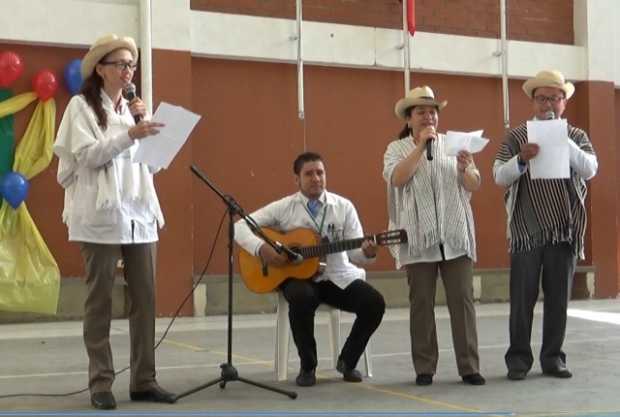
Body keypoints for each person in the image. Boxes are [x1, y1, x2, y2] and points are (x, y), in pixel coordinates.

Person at [53, 34, 175, 409]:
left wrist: (153, 139)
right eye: (121, 64)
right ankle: (100, 383)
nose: (128, 71)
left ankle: (143, 379)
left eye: (132, 65)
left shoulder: (136, 110)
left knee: (146, 299)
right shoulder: (81, 108)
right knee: (100, 301)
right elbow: (88, 156)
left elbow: (150, 166)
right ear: (100, 69)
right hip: (100, 216)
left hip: (139, 215)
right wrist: (130, 136)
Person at [234, 152, 385, 387]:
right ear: (297, 180)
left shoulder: (343, 207)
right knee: (301, 297)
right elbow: (240, 226)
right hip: (298, 279)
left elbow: (356, 254)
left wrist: (369, 251)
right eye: (309, 174)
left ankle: (347, 360)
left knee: (375, 303)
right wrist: (261, 249)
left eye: (320, 173)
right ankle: (308, 366)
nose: (316, 178)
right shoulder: (284, 207)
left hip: (336, 277)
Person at [494, 69, 598, 381]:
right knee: (522, 299)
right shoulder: (517, 136)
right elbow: (498, 176)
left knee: (558, 301)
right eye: (542, 98)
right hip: (527, 230)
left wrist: (561, 138)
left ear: (564, 102)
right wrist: (521, 160)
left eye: (554, 98)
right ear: (532, 101)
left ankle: (553, 358)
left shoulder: (577, 135)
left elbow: (591, 170)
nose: (548, 103)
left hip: (564, 229)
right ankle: (518, 361)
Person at [383, 86, 485, 386]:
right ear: (409, 118)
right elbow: (398, 179)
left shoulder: (454, 144)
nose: (429, 116)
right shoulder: (396, 149)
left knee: (462, 303)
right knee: (421, 304)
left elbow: (474, 184)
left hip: (455, 235)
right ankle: (425, 368)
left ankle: (469, 367)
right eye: (421, 112)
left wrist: (467, 169)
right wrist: (419, 148)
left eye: (433, 112)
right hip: (417, 237)